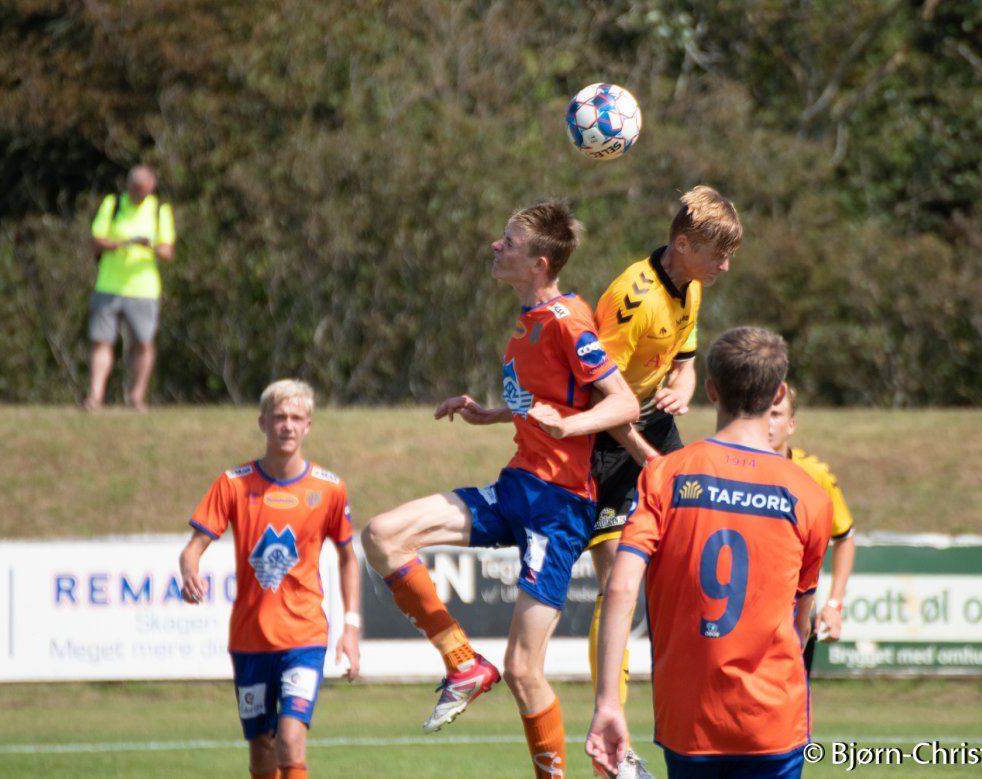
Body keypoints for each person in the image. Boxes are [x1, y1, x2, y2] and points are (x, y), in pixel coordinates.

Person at [359, 200, 639, 778]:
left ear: (539, 264)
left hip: (559, 507)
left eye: (508, 242)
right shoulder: (529, 320)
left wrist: (570, 427)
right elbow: (546, 400)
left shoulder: (567, 320)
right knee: (382, 536)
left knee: (523, 670)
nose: (496, 246)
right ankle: (463, 663)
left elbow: (623, 403)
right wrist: (491, 413)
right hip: (517, 487)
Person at [586, 327, 833, 779]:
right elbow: (802, 619)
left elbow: (620, 589)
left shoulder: (665, 475)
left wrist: (607, 702)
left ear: (711, 389)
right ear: (779, 393)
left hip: (689, 719)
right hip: (773, 720)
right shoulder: (810, 496)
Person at [586, 185, 743, 706]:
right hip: (603, 438)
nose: (725, 266)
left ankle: (702, 686)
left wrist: (682, 386)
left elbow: (685, 363)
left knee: (693, 555)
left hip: (653, 425)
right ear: (682, 244)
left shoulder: (691, 286)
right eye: (718, 254)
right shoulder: (633, 299)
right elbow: (597, 394)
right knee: (616, 583)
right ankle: (611, 712)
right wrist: (642, 455)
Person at [179, 379, 361, 779]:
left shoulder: (329, 488)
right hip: (250, 638)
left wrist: (350, 627)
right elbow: (192, 549)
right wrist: (190, 571)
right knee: (262, 751)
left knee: (290, 739)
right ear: (262, 422)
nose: (287, 426)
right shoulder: (234, 483)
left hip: (304, 636)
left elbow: (349, 558)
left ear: (308, 425)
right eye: (279, 417)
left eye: (296, 418)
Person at [768, 384, 856, 673]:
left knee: (793, 696)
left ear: (792, 424)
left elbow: (844, 537)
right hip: (745, 610)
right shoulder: (733, 468)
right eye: (762, 413)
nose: (768, 423)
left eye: (776, 414)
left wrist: (834, 604)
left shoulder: (814, 474)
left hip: (796, 612)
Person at [84, 164, 176, 411]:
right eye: (136, 189)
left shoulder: (159, 210)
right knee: (101, 341)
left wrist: (148, 246)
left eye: (144, 190)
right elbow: (96, 240)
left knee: (143, 343)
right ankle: (95, 396)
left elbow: (168, 251)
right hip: (109, 285)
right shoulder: (112, 204)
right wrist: (122, 243)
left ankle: (137, 398)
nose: (139, 194)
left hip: (144, 289)